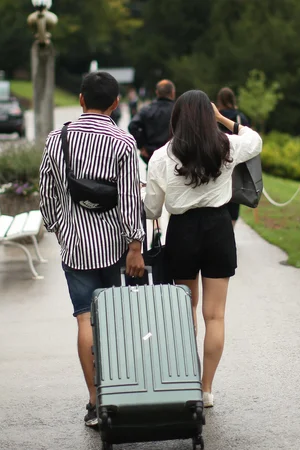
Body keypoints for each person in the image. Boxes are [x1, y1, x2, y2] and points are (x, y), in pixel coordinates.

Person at [39, 71, 146, 428]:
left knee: (85, 317)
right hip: (114, 245)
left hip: (75, 246)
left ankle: (95, 402)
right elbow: (131, 199)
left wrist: (60, 229)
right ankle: (119, 393)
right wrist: (135, 245)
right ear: (116, 103)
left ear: (81, 99)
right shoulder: (123, 142)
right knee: (113, 318)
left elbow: (46, 195)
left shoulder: (58, 138)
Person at [143, 90, 263, 408]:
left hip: (182, 232)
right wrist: (224, 119)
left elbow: (152, 210)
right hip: (219, 229)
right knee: (215, 316)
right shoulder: (227, 147)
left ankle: (186, 381)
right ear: (209, 116)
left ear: (176, 117)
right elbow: (256, 141)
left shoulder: (162, 156)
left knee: (186, 314)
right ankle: (206, 388)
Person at [216, 87, 251, 227]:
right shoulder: (240, 117)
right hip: (236, 162)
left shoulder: (216, 116)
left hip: (218, 161)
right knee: (234, 198)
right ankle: (231, 229)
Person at [128, 79, 176, 165]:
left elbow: (132, 126)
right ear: (173, 93)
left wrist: (141, 146)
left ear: (157, 92)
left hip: (151, 152)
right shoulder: (178, 110)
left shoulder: (146, 109)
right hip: (173, 153)